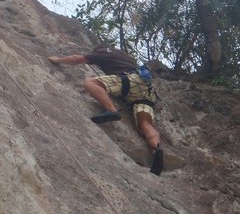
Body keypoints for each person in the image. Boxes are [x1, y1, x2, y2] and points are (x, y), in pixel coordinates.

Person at [48, 45, 165, 175]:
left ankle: (112, 110)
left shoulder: (104, 53)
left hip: (129, 81)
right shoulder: (126, 58)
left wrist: (57, 59)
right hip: (147, 91)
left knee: (91, 83)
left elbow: (76, 59)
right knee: (145, 125)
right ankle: (157, 149)